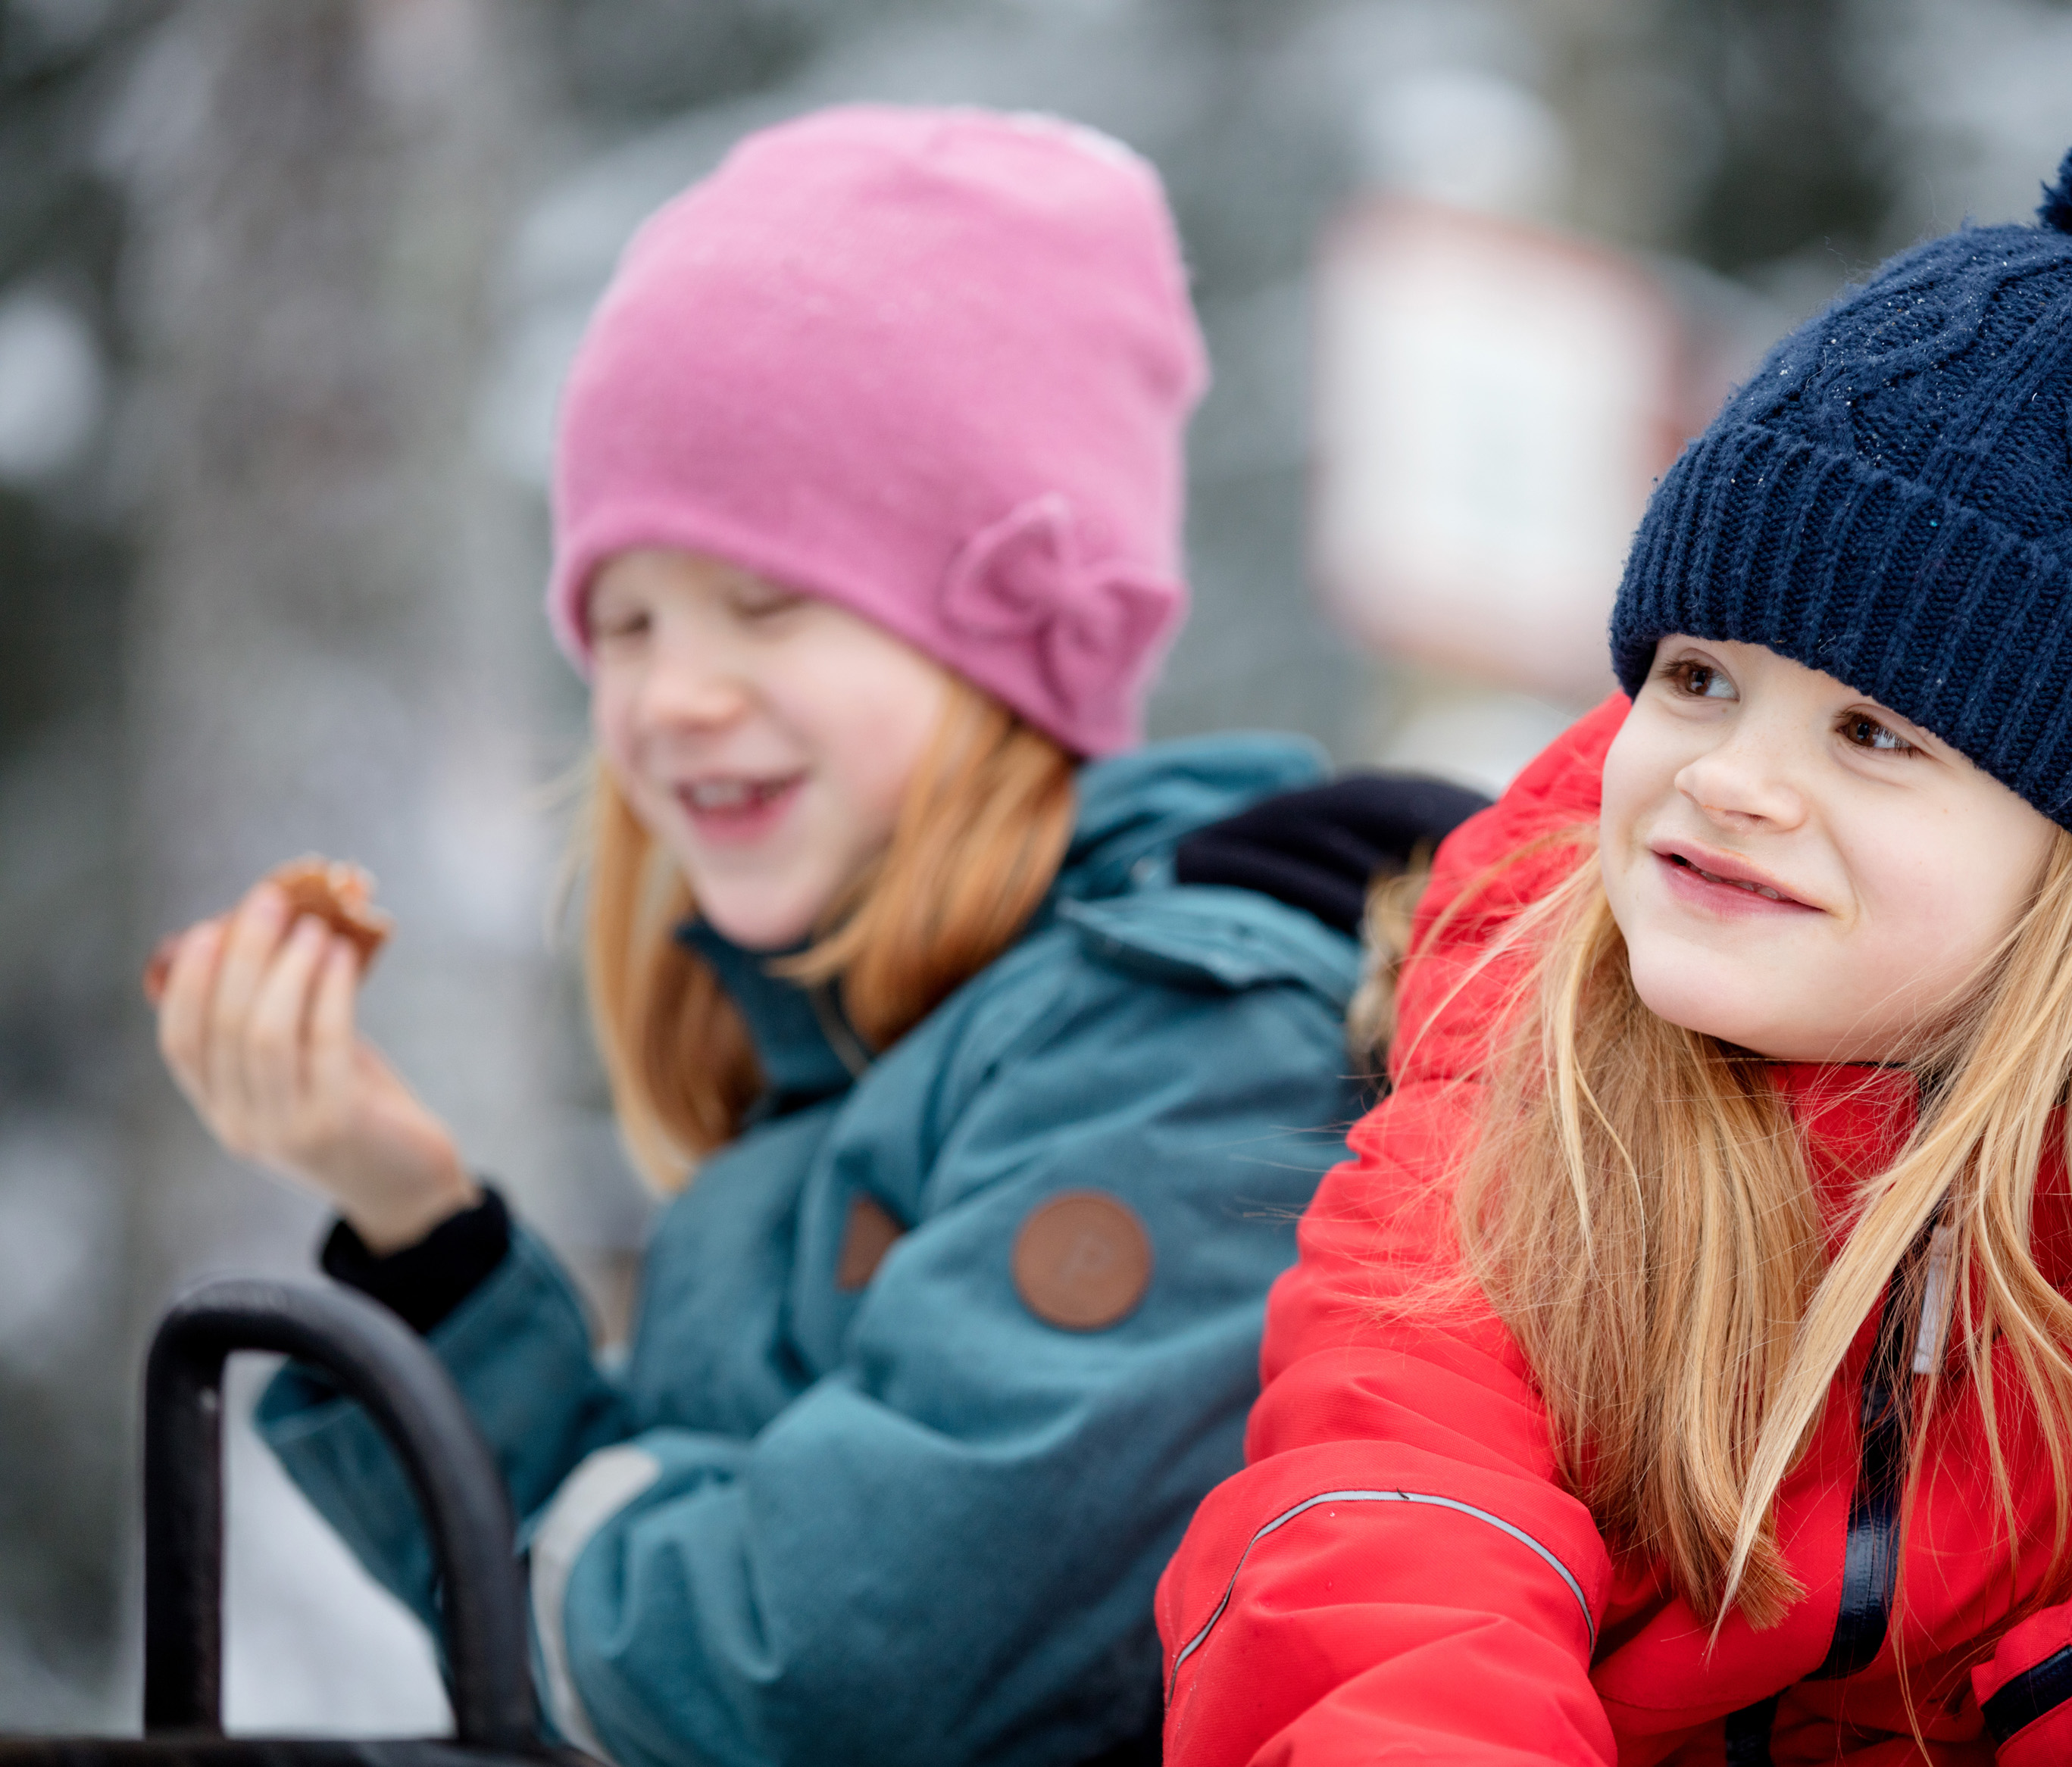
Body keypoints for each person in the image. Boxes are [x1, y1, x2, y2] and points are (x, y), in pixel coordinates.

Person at [1155, 61, 2072, 1766]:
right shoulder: (1520, 1095)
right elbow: (1385, 1565)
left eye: (1872, 733)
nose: (1728, 778)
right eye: (1698, 677)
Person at [149, 107, 1474, 1767]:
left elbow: (824, 1674)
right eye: (623, 621)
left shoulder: (1175, 1047)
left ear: (1012, 641)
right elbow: (637, 1652)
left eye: (768, 603)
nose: (674, 693)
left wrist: (605, 1524)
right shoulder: (849, 1058)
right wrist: (413, 1218)